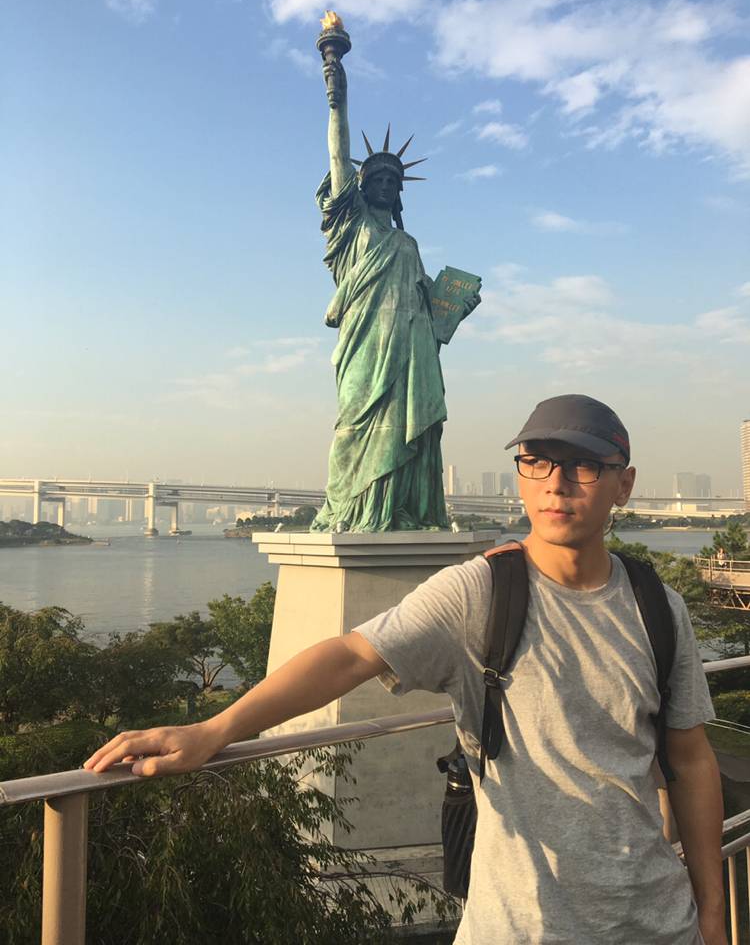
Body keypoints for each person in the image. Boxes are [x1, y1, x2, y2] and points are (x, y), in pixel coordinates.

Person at [85, 394, 724, 944]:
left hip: (657, 922)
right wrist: (214, 730)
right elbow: (349, 655)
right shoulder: (481, 593)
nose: (556, 483)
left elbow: (691, 760)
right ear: (522, 477)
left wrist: (714, 916)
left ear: (623, 485)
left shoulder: (657, 606)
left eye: (584, 465)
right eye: (537, 462)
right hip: (521, 927)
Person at [309, 40, 479, 532]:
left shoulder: (408, 243)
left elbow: (429, 307)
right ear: (361, 187)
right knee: (355, 425)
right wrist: (337, 97)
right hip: (364, 344)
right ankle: (352, 510)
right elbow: (338, 156)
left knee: (409, 428)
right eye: (377, 178)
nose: (385, 184)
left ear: (399, 191)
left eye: (393, 180)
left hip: (410, 350)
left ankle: (400, 509)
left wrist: (456, 306)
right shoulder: (351, 227)